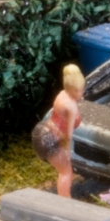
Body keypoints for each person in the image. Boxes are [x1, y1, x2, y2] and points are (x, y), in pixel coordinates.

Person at [36, 62, 86, 199]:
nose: (82, 93)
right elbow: (68, 135)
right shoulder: (71, 106)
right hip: (52, 139)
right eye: (81, 90)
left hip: (41, 131)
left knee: (62, 169)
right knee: (66, 171)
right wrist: (67, 151)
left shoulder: (62, 94)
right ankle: (65, 202)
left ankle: (63, 198)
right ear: (74, 90)